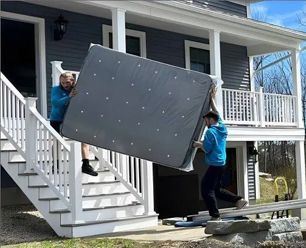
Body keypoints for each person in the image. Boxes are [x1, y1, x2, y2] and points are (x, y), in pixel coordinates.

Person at [193, 85, 248, 221]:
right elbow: (216, 111)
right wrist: (212, 97)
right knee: (216, 190)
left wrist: (196, 144)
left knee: (206, 189)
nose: (205, 123)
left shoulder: (211, 132)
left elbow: (206, 148)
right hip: (221, 163)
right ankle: (239, 200)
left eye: (206, 120)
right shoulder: (222, 126)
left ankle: (215, 216)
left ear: (211, 120)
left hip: (216, 164)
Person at [50, 72, 98, 176]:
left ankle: (86, 165)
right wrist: (69, 97)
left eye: (67, 82)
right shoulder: (56, 89)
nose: (65, 85)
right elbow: (55, 103)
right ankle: (56, 164)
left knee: (85, 139)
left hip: (73, 119)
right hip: (57, 119)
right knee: (57, 142)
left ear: (72, 81)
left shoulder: (77, 88)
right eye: (62, 83)